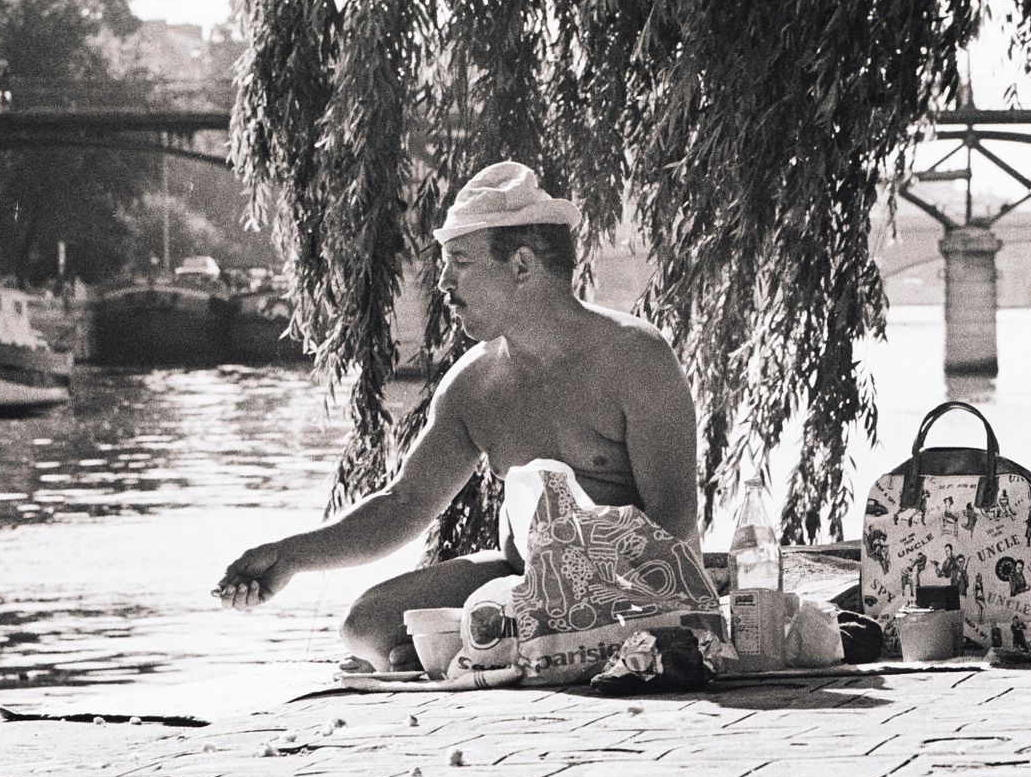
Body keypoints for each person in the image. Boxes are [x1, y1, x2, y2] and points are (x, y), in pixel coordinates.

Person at [215, 161, 702, 670]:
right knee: (369, 624)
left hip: (636, 583)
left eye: (460, 262)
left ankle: (488, 652)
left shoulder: (634, 355)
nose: (442, 282)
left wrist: (571, 587)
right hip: (521, 580)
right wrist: (291, 556)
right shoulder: (473, 384)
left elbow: (674, 517)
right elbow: (406, 501)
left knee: (485, 624)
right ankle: (489, 651)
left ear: (521, 266)